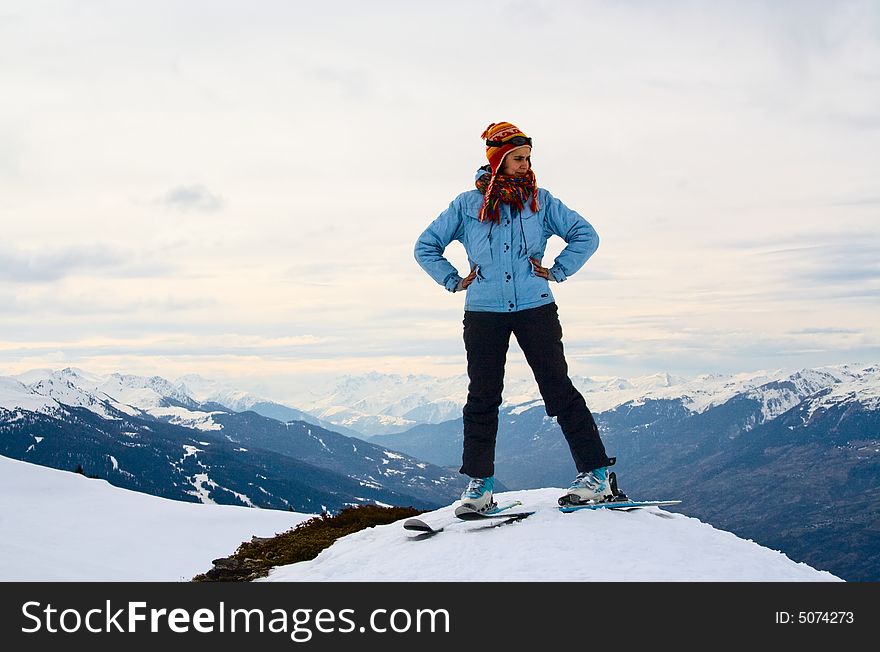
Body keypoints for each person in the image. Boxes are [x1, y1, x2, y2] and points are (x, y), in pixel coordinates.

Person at [414, 121, 618, 513]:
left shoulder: (539, 201)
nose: (525, 166)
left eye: (528, 158)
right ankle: (479, 486)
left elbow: (585, 235)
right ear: (497, 161)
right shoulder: (466, 205)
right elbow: (426, 246)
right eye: (517, 159)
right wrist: (453, 281)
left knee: (558, 389)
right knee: (482, 398)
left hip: (535, 308)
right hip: (483, 312)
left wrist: (558, 270)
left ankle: (595, 474)